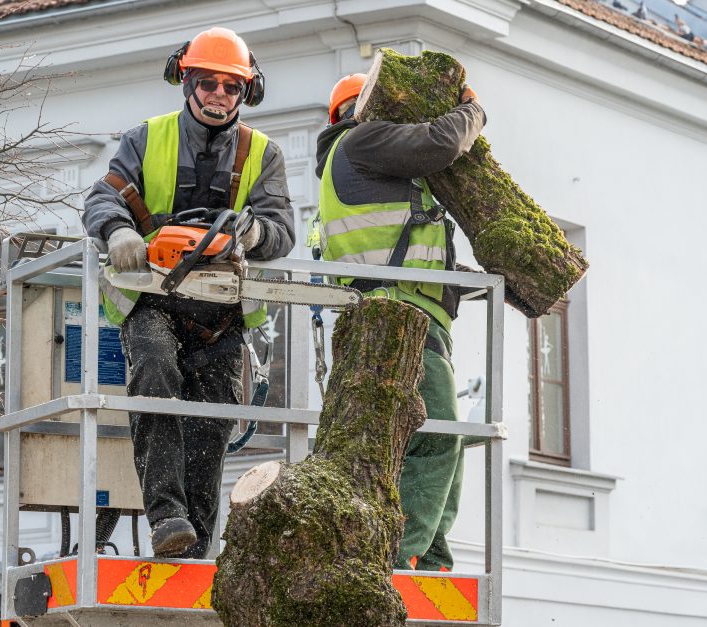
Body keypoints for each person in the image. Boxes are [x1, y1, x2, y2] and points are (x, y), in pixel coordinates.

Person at [82, 26, 295, 558]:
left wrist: (252, 233)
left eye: (232, 86)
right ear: (186, 80)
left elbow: (281, 230)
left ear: (247, 92)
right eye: (208, 83)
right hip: (153, 299)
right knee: (155, 371)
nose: (220, 95)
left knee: (213, 418)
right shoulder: (146, 138)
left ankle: (193, 546)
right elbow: (101, 198)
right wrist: (119, 231)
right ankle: (167, 517)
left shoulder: (262, 154)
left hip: (222, 308)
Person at [313, 73, 486, 571]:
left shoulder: (367, 174)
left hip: (407, 314)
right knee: (436, 435)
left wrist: (484, 283)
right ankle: (402, 554)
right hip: (398, 318)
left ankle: (431, 554)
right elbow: (442, 141)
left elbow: (408, 251)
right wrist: (472, 110)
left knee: (439, 438)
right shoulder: (362, 141)